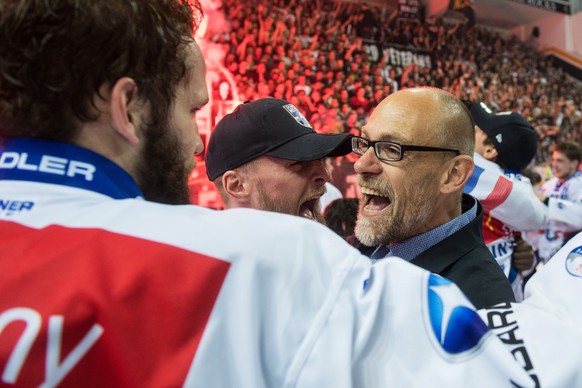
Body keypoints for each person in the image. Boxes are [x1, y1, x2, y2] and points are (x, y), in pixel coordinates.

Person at [1, 1, 579, 386]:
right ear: (128, 108)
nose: (192, 145)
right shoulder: (252, 264)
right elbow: (522, 370)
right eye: (192, 111)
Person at [351, 88, 514, 309]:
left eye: (391, 149)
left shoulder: (478, 307)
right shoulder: (377, 236)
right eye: (365, 143)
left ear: (453, 174)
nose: (361, 165)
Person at [204, 98, 352, 222]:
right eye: (298, 163)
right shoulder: (202, 256)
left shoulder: (326, 253)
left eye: (320, 161)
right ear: (237, 185)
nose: (325, 175)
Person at [466, 101, 548, 300]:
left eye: (475, 130)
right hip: (503, 292)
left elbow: (538, 216)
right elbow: (538, 217)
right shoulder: (517, 185)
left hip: (480, 296)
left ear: (490, 151)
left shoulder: (472, 170)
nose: (467, 132)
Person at [533, 141, 582, 263]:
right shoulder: (549, 184)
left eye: (560, 161)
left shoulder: (579, 184)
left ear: (574, 163)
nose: (554, 165)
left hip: (569, 253)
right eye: (553, 160)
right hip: (543, 250)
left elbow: (579, 217)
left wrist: (547, 201)